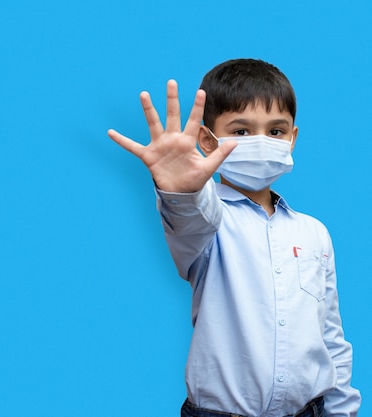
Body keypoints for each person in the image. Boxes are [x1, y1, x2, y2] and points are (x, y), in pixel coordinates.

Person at [107, 59, 361, 417]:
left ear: (293, 138)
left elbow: (330, 335)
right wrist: (179, 189)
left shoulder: (313, 232)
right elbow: (189, 217)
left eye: (276, 131)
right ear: (208, 141)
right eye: (241, 131)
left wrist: (343, 410)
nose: (261, 141)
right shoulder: (210, 219)